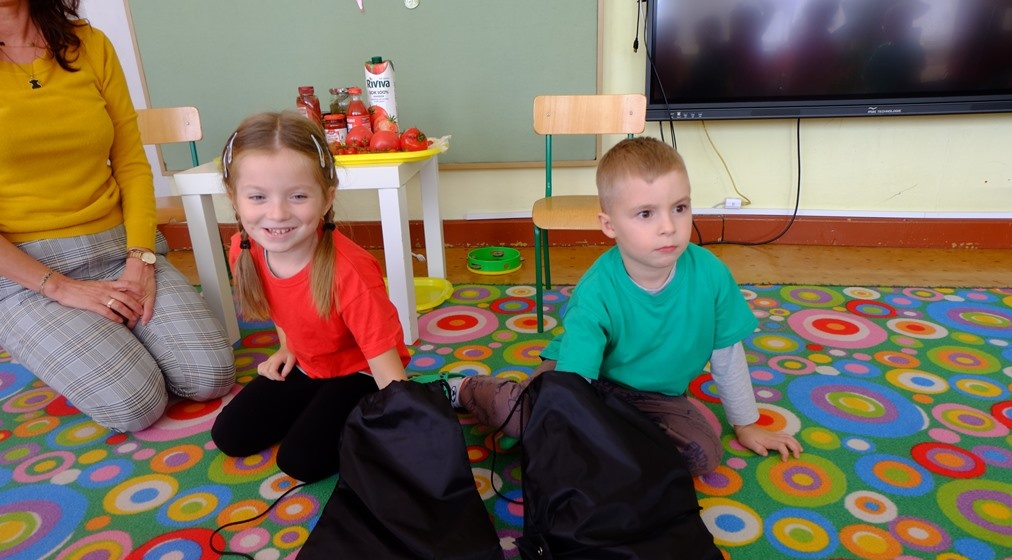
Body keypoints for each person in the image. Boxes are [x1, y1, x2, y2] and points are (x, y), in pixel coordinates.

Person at [446, 137, 802, 476]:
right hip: (582, 377)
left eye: (679, 208)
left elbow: (727, 356)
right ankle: (468, 389)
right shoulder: (596, 290)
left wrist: (746, 424)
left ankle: (600, 436)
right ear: (609, 225)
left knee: (703, 455)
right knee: (524, 417)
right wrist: (562, 429)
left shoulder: (712, 275)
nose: (668, 227)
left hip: (656, 397)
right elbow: (574, 385)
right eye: (646, 213)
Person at [0, 0, 235, 432]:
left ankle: (109, 334)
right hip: (26, 276)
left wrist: (140, 258)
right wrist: (61, 288)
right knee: (135, 404)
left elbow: (130, 163)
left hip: (118, 249)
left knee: (211, 376)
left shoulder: (89, 44)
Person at [210, 111, 410, 483]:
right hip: (308, 365)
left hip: (362, 371)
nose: (277, 214)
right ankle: (321, 406)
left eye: (298, 196)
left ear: (326, 197)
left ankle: (443, 393)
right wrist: (287, 346)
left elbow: (388, 371)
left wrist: (409, 426)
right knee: (230, 435)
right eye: (258, 196)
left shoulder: (350, 272)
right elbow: (284, 309)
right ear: (233, 198)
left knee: (301, 461)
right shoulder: (244, 248)